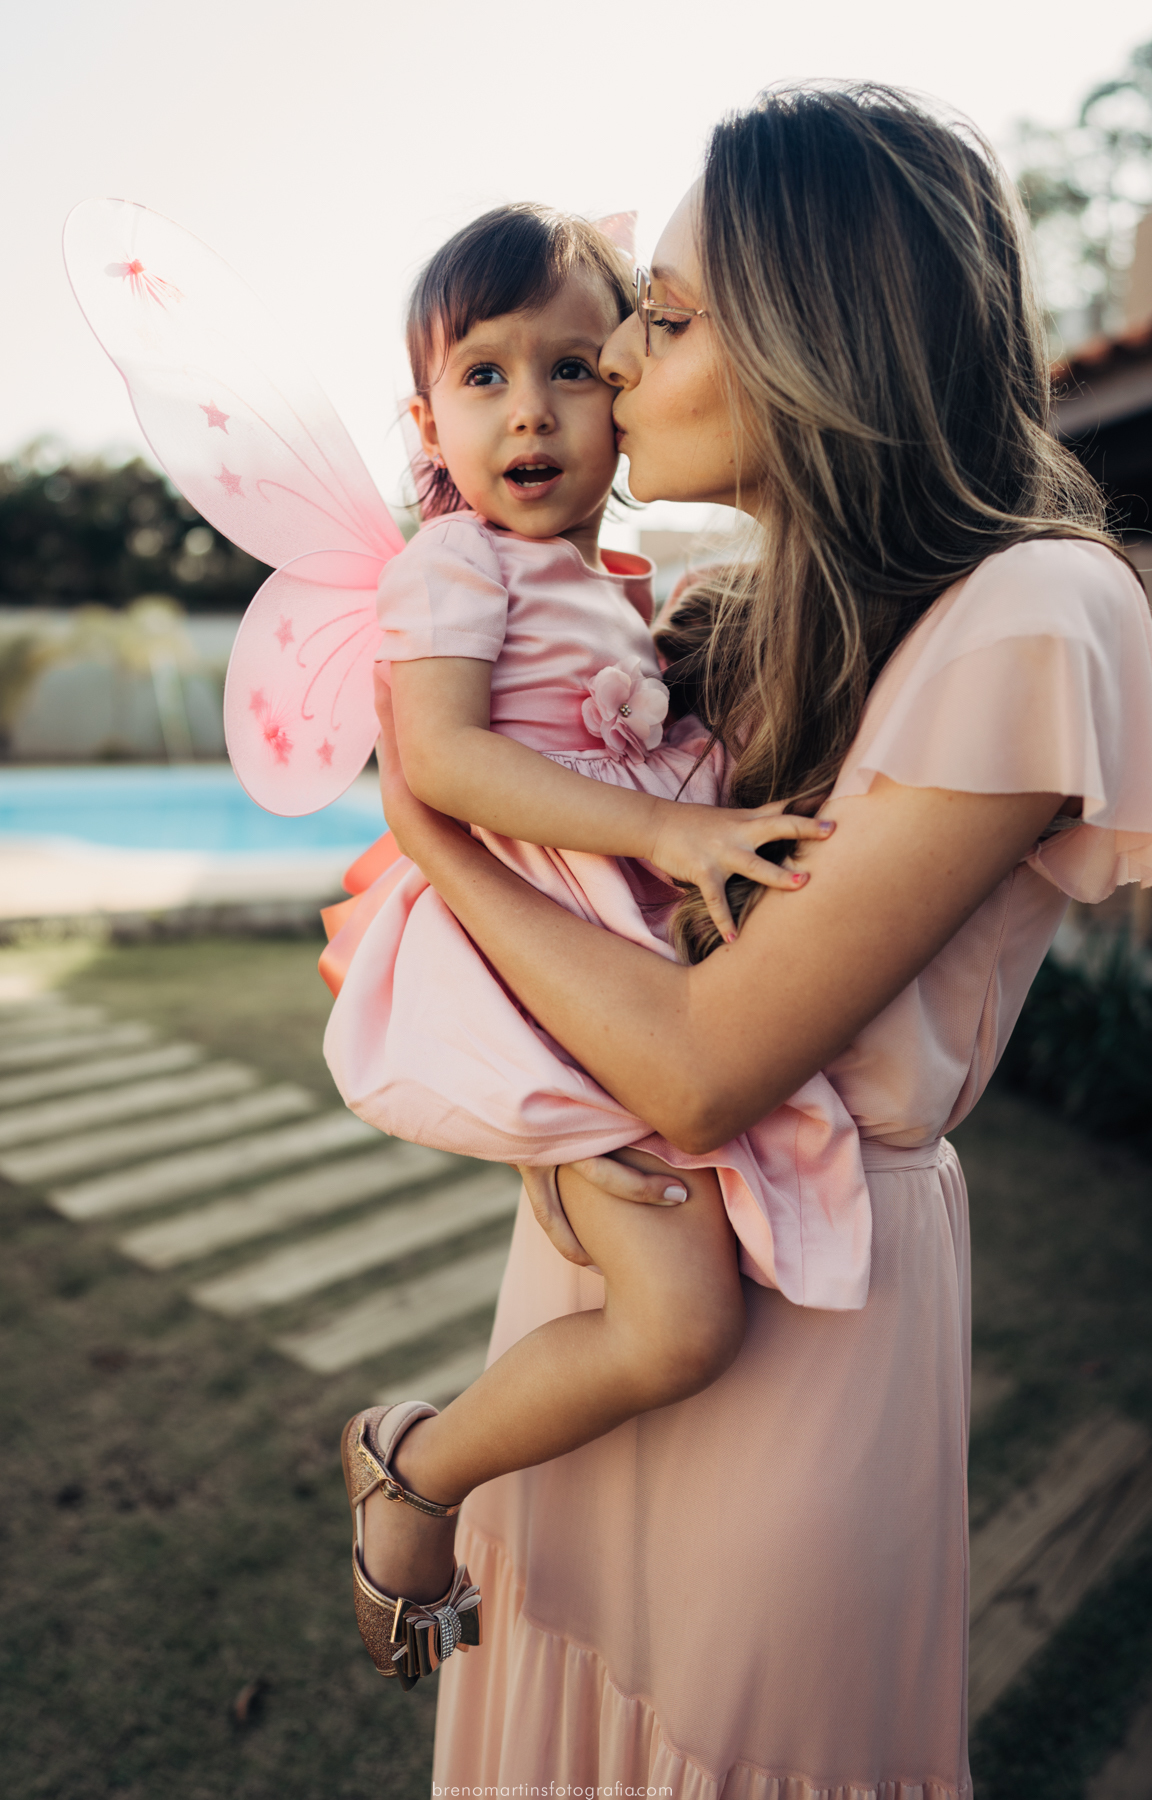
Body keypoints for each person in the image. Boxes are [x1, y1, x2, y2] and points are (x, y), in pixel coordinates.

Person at [370, 86, 1152, 1796]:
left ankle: (407, 1474)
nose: (616, 367)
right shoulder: (733, 625)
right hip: (628, 1264)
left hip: (811, 1328)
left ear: (820, 330)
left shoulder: (1038, 606)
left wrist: (438, 834)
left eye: (660, 317)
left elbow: (706, 1066)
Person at [328, 202, 872, 1689]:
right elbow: (439, 762)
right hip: (534, 966)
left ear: (625, 396)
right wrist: (671, 837)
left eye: (574, 367)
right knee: (682, 1322)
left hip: (608, 963)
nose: (533, 409)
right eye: (485, 376)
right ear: (427, 419)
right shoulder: (456, 572)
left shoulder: (625, 591)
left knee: (711, 1281)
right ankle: (414, 1465)